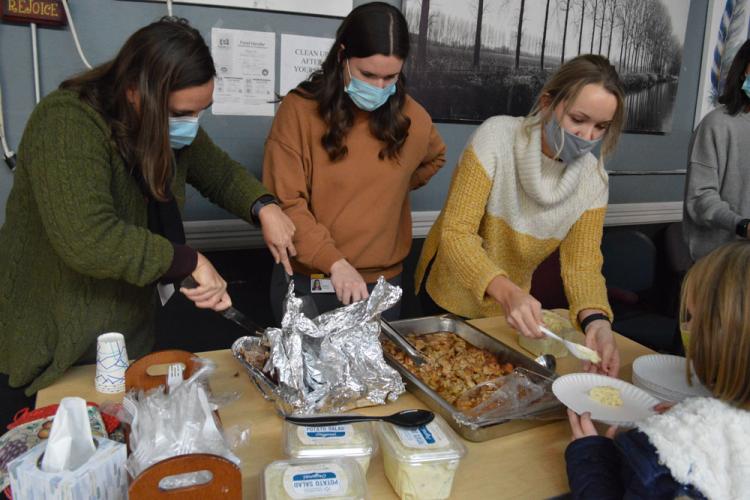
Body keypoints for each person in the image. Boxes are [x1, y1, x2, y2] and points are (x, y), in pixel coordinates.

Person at [0, 18, 296, 416]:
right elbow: (88, 238)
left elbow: (220, 174)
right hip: (52, 340)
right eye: (182, 112)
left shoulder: (164, 123)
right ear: (136, 93)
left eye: (200, 111)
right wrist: (189, 260)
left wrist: (265, 206)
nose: (191, 123)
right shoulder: (67, 122)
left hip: (123, 336)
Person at [415, 55, 625, 376]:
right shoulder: (496, 137)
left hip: (508, 313)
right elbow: (457, 234)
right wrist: (508, 291)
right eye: (578, 119)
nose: (587, 136)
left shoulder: (594, 181)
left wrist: (597, 321)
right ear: (547, 104)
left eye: (600, 127)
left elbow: (582, 266)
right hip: (449, 297)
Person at [264, 2, 446, 323]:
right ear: (342, 56)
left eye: (390, 77)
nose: (379, 87)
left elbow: (435, 157)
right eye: (368, 74)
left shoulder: (414, 118)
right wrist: (333, 261)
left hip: (383, 286)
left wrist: (389, 189)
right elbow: (285, 204)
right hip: (312, 281)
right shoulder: (299, 111)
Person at [565, 241, 750, 499]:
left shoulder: (665, 455)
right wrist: (693, 411)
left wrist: (590, 461)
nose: (686, 327)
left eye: (693, 317)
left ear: (722, 338)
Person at [683, 39, 750, 261]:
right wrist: (741, 225)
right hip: (718, 266)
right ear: (744, 71)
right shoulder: (716, 125)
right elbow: (701, 198)